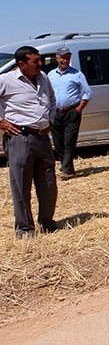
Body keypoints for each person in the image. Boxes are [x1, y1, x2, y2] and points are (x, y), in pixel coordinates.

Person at [0, 46, 58, 238]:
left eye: (40, 60)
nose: (40, 64)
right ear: (22, 64)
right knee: (21, 185)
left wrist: (50, 119)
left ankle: (47, 222)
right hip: (20, 138)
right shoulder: (6, 80)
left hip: (42, 137)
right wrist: (1, 122)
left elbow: (51, 98)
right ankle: (24, 228)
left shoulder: (43, 78)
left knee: (48, 184)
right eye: (35, 61)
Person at [47, 47, 92, 179]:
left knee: (69, 142)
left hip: (71, 112)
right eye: (62, 57)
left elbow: (88, 93)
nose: (64, 60)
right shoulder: (50, 75)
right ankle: (68, 167)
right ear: (57, 58)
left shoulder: (77, 74)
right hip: (55, 113)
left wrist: (79, 109)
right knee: (58, 143)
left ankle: (66, 170)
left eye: (67, 57)